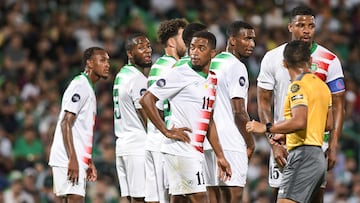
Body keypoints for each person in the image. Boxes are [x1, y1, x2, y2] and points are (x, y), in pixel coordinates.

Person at [257, 5, 345, 202]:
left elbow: (339, 105)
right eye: (300, 25)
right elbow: (263, 101)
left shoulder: (329, 60)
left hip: (315, 143)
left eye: (311, 25)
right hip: (283, 142)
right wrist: (273, 142)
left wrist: (334, 144)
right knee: (279, 195)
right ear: (290, 27)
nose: (306, 30)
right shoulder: (272, 58)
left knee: (315, 198)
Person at [140, 31, 231, 203]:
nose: (194, 52)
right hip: (180, 149)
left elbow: (208, 119)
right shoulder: (180, 73)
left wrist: (220, 156)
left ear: (213, 53)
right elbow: (146, 100)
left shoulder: (212, 79)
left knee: (180, 199)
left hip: (194, 150)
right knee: (201, 199)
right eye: (192, 47)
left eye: (201, 48)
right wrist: (166, 131)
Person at [247, 40, 333, 203]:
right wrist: (286, 135)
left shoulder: (297, 87)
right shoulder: (323, 87)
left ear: (284, 63)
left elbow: (299, 121)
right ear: (310, 61)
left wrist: (266, 127)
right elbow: (328, 124)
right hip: (318, 156)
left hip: (302, 157)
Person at [48, 47, 110, 202]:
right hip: (67, 157)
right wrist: (73, 159)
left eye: (108, 60)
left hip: (75, 156)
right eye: (102, 60)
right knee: (76, 199)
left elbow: (80, 131)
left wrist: (87, 160)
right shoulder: (80, 86)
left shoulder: (87, 87)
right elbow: (65, 123)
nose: (107, 64)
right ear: (89, 63)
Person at [203, 21, 256, 203]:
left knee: (214, 198)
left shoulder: (212, 63)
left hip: (210, 141)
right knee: (234, 197)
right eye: (247, 39)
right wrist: (250, 142)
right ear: (233, 41)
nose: (252, 44)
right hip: (231, 141)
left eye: (253, 40)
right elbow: (239, 112)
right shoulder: (237, 66)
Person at [145, 18, 188, 203]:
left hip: (155, 141)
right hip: (164, 143)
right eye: (183, 37)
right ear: (171, 42)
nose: (187, 42)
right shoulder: (169, 66)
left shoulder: (161, 64)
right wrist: (167, 131)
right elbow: (154, 105)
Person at [113, 33, 152, 203]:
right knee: (141, 198)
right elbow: (147, 117)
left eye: (148, 46)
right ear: (130, 53)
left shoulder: (122, 75)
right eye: (141, 47)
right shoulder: (138, 79)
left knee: (128, 198)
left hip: (123, 144)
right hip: (138, 146)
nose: (148, 50)